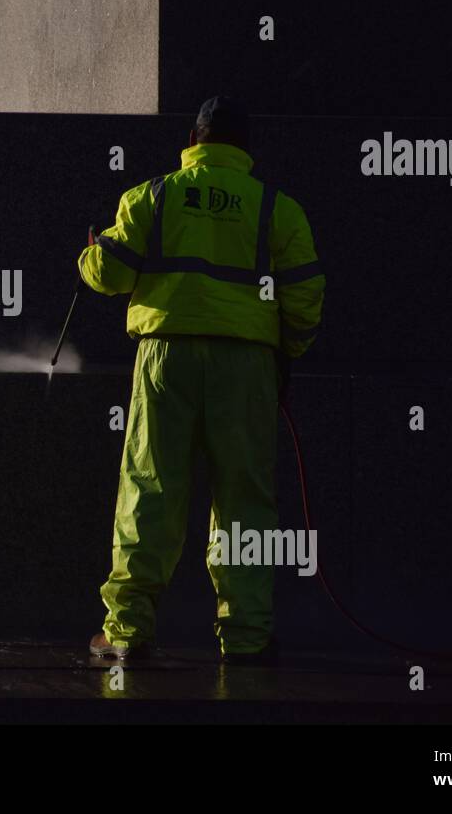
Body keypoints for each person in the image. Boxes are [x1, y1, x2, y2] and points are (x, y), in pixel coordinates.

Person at [80, 96, 325, 664]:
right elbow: (306, 295)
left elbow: (111, 273)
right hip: (246, 363)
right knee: (245, 499)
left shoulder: (152, 196)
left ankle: (126, 632)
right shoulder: (275, 207)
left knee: (150, 487)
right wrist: (287, 350)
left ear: (194, 140)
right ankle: (245, 637)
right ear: (243, 150)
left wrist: (90, 255)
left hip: (165, 356)